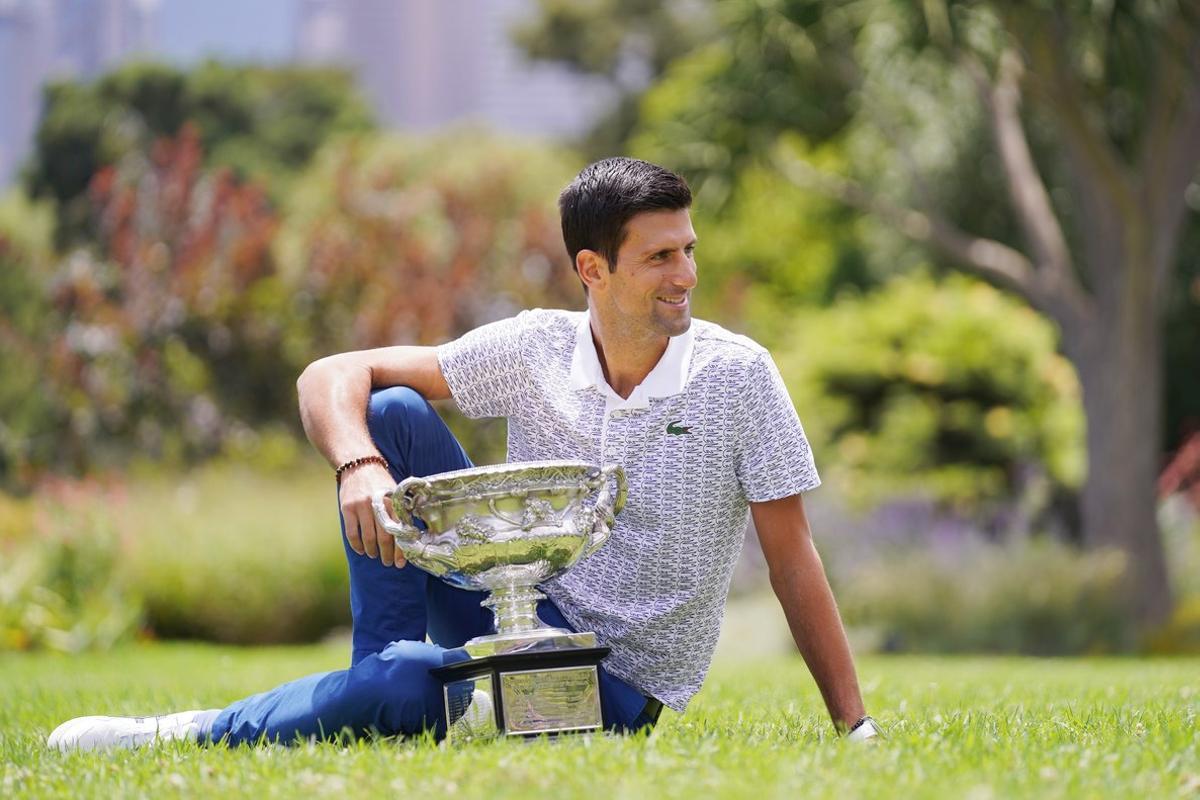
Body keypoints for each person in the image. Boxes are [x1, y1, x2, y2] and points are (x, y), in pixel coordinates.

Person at [47, 157, 881, 752]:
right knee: (391, 411)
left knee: (413, 684)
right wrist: (357, 465)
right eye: (661, 256)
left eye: (689, 249)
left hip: (613, 684)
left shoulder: (740, 375)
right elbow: (331, 373)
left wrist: (856, 725)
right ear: (592, 268)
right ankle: (379, 678)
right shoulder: (535, 347)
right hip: (505, 604)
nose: (686, 274)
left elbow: (792, 558)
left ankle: (186, 732)